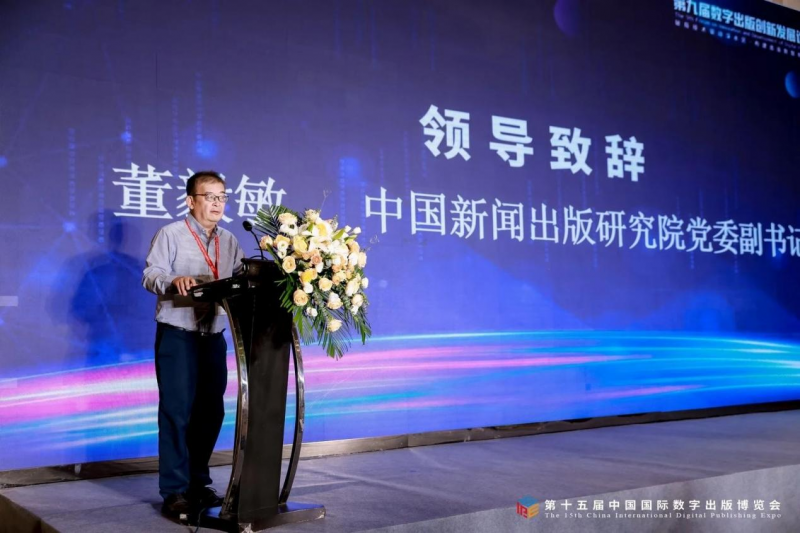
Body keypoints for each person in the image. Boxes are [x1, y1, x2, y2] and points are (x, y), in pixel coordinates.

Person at [142, 171, 245, 517]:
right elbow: (150, 274)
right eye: (209, 196)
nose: (217, 203)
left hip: (213, 336)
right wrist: (174, 280)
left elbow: (240, 281)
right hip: (178, 334)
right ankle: (174, 490)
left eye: (222, 197)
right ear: (191, 201)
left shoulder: (229, 240)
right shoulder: (171, 234)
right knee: (176, 411)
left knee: (210, 412)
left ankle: (198, 482)